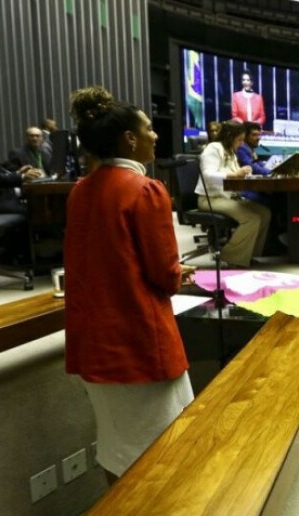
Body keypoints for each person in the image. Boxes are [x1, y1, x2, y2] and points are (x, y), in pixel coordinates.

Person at [63, 86, 196, 483]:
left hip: (93, 342)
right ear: (130, 139)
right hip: (138, 341)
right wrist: (177, 274)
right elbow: (162, 274)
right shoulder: (146, 190)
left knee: (116, 445)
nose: (156, 136)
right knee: (164, 448)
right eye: (150, 129)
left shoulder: (80, 190)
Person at [195, 120, 272, 268]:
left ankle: (249, 255)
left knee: (265, 213)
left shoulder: (230, 151)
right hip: (210, 199)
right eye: (240, 140)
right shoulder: (213, 148)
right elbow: (207, 175)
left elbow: (235, 175)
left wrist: (245, 174)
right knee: (252, 219)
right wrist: (233, 174)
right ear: (230, 136)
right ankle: (230, 258)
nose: (241, 144)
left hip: (226, 197)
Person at [0, 120, 43, 215]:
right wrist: (22, 177)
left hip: (9, 198)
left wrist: (18, 172)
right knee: (38, 211)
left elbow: (0, 172)